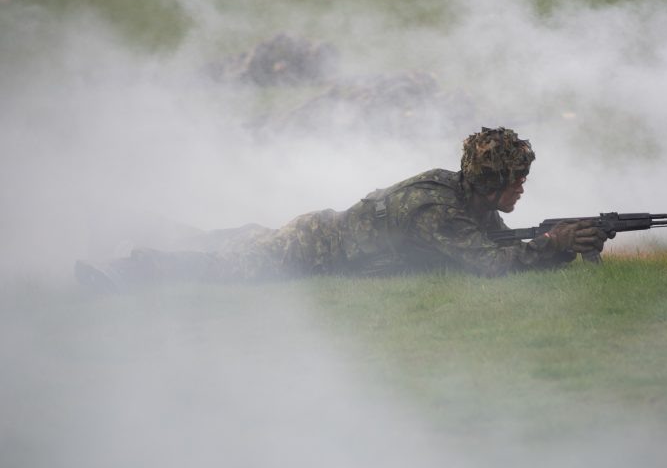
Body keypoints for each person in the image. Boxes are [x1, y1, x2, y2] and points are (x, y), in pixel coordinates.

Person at [75, 127, 612, 290]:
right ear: (490, 181)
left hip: (321, 230)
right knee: (224, 268)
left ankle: (141, 226)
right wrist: (552, 245)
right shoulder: (438, 209)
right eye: (515, 181)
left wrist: (552, 242)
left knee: (235, 237)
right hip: (312, 250)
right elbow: (490, 265)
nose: (521, 190)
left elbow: (493, 243)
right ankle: (116, 272)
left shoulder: (465, 197)